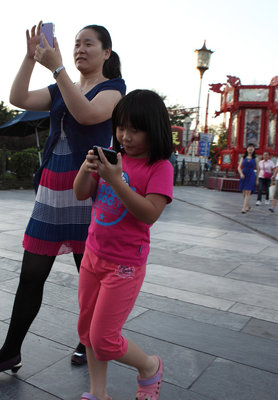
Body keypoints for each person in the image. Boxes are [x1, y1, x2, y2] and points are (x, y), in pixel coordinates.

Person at [0, 22, 126, 376]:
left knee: (89, 278)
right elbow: (19, 99)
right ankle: (11, 351)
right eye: (75, 44)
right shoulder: (61, 88)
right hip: (51, 192)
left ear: (106, 53)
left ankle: (88, 340)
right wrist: (29, 58)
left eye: (89, 44)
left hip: (89, 192)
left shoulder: (115, 90)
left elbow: (86, 114)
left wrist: (57, 69)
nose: (80, 49)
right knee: (31, 275)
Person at [73, 89, 173, 400]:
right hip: (92, 256)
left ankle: (149, 366)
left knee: (104, 338)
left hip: (125, 266)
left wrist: (116, 179)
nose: (125, 136)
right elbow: (80, 193)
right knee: (88, 330)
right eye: (121, 127)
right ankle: (97, 392)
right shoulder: (113, 157)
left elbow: (150, 214)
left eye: (135, 129)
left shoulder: (160, 167)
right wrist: (87, 168)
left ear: (153, 129)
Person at [237, 143, 258, 213]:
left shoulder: (256, 158)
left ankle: (244, 208)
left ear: (254, 149)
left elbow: (258, 169)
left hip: (251, 175)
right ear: (247, 148)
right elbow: (239, 167)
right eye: (249, 147)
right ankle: (247, 205)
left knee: (248, 192)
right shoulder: (243, 157)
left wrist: (257, 179)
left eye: (252, 147)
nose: (250, 148)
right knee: (244, 192)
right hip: (244, 174)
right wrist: (241, 173)